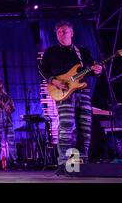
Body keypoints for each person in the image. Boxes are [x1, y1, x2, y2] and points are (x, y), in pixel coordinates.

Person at [39, 20, 102, 175]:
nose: (62, 34)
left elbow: (93, 71)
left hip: (83, 92)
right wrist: (54, 81)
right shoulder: (50, 52)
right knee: (66, 125)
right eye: (59, 31)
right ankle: (64, 163)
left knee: (85, 127)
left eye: (65, 31)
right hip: (63, 92)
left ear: (72, 33)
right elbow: (42, 70)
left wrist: (97, 70)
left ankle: (82, 162)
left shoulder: (83, 52)